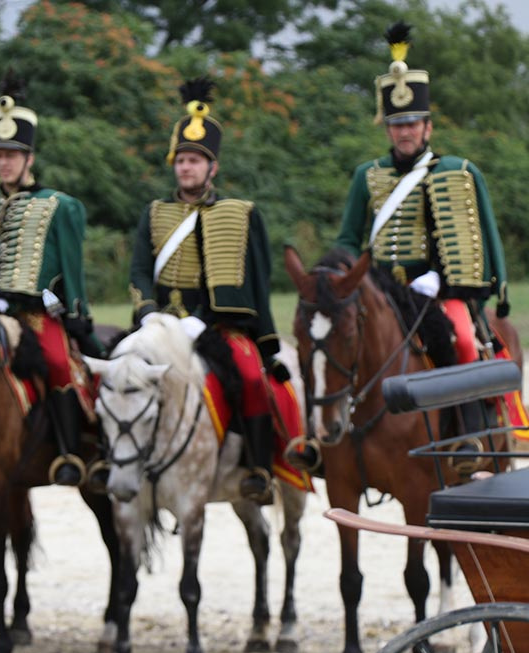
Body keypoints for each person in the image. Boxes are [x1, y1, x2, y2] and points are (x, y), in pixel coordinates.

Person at [129, 76, 312, 504]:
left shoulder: (240, 213)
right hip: (160, 324)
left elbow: (254, 281)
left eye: (195, 160)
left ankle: (257, 469)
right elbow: (138, 269)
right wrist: (148, 312)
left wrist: (209, 322)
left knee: (250, 379)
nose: (185, 167)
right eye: (180, 160)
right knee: (120, 373)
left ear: (212, 167)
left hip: (217, 326)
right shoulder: (154, 212)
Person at [335, 21, 510, 460]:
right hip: (382, 292)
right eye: (396, 123)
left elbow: (482, 233)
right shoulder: (367, 175)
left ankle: (470, 438)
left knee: (464, 341)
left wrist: (443, 280)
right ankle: (337, 441)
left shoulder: (454, 172)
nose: (404, 131)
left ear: (427, 127)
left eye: (412, 122)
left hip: (436, 291)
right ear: (387, 129)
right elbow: (348, 239)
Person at [0, 71, 105, 488]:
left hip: (34, 313)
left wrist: (74, 312)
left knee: (58, 363)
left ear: (29, 158)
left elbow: (71, 268)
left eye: (13, 155)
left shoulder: (59, 205)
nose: (4, 162)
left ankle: (70, 451)